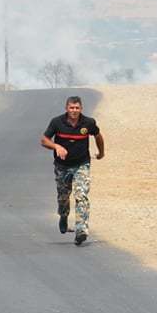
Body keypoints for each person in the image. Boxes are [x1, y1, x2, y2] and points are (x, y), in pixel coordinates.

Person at [40, 95, 105, 246]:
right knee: (63, 197)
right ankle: (63, 215)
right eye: (71, 108)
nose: (74, 110)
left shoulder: (88, 122)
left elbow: (98, 135)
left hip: (82, 164)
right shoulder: (57, 122)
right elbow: (44, 140)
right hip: (62, 166)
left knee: (81, 195)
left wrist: (101, 153)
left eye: (77, 108)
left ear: (81, 108)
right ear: (66, 108)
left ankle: (81, 230)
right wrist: (56, 146)